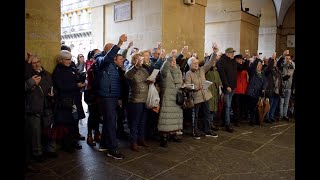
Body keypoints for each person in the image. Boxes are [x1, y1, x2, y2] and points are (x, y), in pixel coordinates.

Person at [94, 34, 128, 159]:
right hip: (106, 96)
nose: (115, 53)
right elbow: (107, 58)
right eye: (112, 50)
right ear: (107, 52)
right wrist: (119, 44)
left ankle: (103, 145)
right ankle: (112, 149)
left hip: (112, 96)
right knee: (110, 122)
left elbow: (115, 82)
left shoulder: (113, 65)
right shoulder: (100, 60)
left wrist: (118, 97)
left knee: (109, 121)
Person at [157, 51, 184, 147]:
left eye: (174, 60)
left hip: (177, 96)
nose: (173, 62)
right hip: (168, 97)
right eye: (171, 61)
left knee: (175, 117)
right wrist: (169, 57)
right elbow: (164, 68)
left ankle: (174, 134)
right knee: (167, 117)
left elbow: (180, 82)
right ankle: (163, 137)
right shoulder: (165, 71)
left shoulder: (178, 70)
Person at [217, 47, 238, 133]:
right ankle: (227, 124)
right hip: (227, 87)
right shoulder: (222, 61)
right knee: (227, 106)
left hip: (233, 87)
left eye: (233, 52)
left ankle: (224, 121)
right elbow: (223, 75)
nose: (233, 54)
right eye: (231, 53)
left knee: (227, 106)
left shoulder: (233, 61)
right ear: (227, 53)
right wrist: (227, 86)